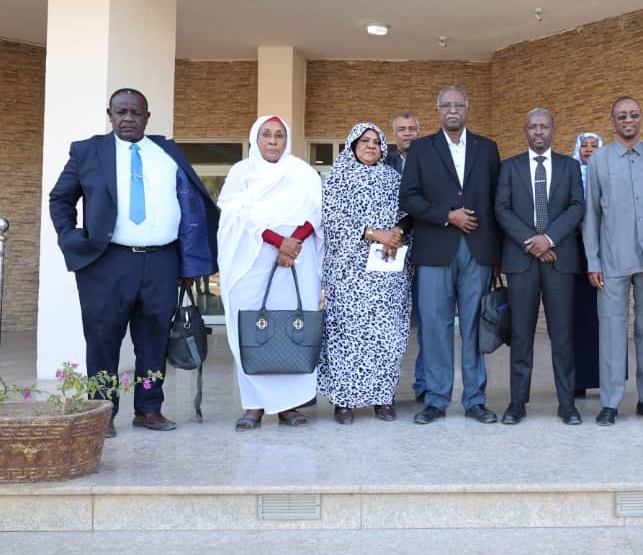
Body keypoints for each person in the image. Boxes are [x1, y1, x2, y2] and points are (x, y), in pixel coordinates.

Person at [48, 87, 218, 438]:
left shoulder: (167, 152)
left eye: (135, 112)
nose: (128, 118)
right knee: (103, 339)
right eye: (121, 112)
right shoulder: (88, 151)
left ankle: (149, 409)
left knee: (154, 339)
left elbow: (191, 202)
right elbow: (60, 199)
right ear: (109, 115)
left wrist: (189, 261)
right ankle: (103, 411)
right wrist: (71, 238)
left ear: (147, 117)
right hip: (106, 262)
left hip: (161, 261)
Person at [399, 86, 501, 424]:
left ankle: (475, 400)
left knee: (474, 326)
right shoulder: (421, 149)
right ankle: (436, 399)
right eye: (446, 105)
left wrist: (497, 254)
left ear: (468, 109)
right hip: (434, 250)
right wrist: (447, 215)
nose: (453, 110)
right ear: (438, 110)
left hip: (477, 250)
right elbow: (409, 198)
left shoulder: (487, 148)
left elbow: (496, 201)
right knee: (434, 326)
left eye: (458, 105)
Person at [217, 116, 324, 430]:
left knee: (292, 325)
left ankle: (289, 405)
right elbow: (234, 214)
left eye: (279, 135)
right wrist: (278, 241)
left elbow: (317, 211)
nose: (273, 141)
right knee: (252, 327)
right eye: (266, 135)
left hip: (298, 257)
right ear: (256, 138)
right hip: (253, 257)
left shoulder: (302, 172)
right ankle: (254, 405)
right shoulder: (241, 172)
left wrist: (293, 242)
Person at [494, 108, 586, 425]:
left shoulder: (570, 166)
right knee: (521, 335)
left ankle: (567, 404)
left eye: (543, 126)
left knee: (563, 336)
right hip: (522, 261)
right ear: (525, 130)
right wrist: (533, 242)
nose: (538, 131)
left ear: (552, 129)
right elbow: (502, 209)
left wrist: (548, 239)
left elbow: (577, 206)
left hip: (559, 260)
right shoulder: (509, 167)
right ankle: (517, 402)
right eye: (533, 126)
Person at [583, 96, 643, 426]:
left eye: (633, 114)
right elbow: (591, 214)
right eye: (621, 116)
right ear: (612, 121)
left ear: (641, 118)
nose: (628, 120)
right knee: (611, 331)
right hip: (612, 261)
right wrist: (593, 260)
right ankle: (610, 401)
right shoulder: (599, 160)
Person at [318, 123, 411, 424]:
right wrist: (375, 233)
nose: (371, 146)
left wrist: (396, 233)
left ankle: (383, 398)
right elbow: (331, 219)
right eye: (364, 141)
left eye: (376, 141)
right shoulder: (337, 177)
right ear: (352, 145)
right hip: (348, 273)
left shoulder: (393, 178)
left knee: (386, 335)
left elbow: (408, 213)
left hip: (386, 272)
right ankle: (344, 401)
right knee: (347, 336)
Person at [387, 112, 428, 403]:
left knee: (427, 320)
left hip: (424, 249)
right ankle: (384, 388)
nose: (407, 133)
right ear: (394, 134)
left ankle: (424, 385)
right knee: (388, 321)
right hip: (388, 251)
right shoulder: (382, 164)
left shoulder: (430, 162)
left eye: (412, 128)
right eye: (402, 129)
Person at [571, 132, 603, 396]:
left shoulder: (605, 175)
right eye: (584, 145)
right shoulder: (568, 174)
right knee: (576, 318)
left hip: (602, 253)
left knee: (600, 319)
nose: (589, 149)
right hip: (573, 253)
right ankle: (577, 381)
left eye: (594, 145)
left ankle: (604, 379)